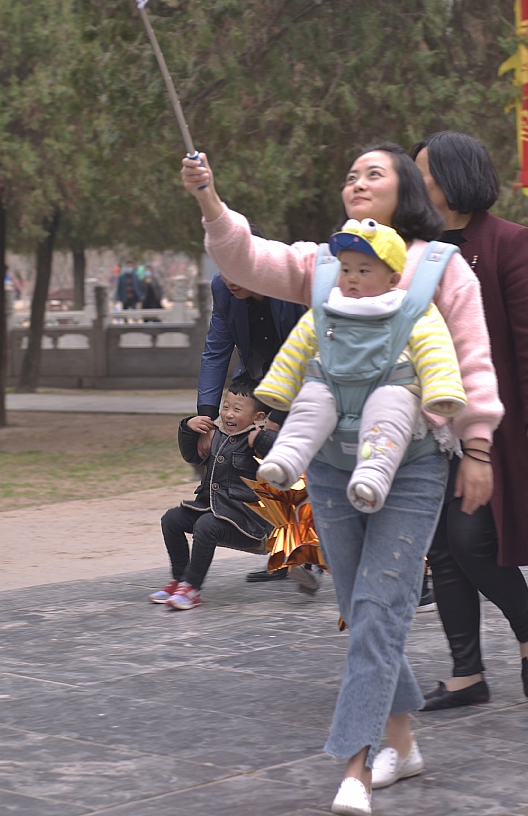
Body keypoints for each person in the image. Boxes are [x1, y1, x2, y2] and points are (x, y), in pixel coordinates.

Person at [181, 143, 502, 816]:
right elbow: (247, 259)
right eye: (352, 174)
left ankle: (356, 762)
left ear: (406, 188)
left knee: (379, 607)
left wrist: (477, 450)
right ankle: (402, 744)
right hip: (330, 467)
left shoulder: (441, 267)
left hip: (411, 467)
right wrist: (208, 198)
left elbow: (472, 363)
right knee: (360, 607)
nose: (357, 181)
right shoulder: (326, 263)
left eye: (373, 173)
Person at [411, 131, 528, 711]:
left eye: (423, 172)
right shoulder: (412, 249)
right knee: (443, 550)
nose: (415, 182)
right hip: (428, 424)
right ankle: (467, 674)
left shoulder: (509, 242)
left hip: (492, 423)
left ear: (454, 176)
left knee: (472, 540)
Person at [255, 218, 466, 513]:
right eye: (345, 270)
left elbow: (435, 350)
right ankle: (288, 455)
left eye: (364, 270)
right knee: (311, 401)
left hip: (389, 384)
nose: (352, 278)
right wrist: (280, 386)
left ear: (393, 278)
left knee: (391, 410)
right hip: (330, 383)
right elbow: (297, 347)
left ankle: (374, 472)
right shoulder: (330, 307)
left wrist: (442, 391)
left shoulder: (409, 309)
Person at [198, 268, 306, 583]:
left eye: (237, 269)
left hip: (306, 383)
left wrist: (278, 417)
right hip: (257, 386)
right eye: (224, 269)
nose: (230, 280)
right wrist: (208, 419)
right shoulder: (222, 287)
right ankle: (285, 553)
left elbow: (305, 354)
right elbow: (216, 350)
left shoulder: (289, 281)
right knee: (259, 469)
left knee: (300, 465)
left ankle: (312, 551)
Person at [153, 375, 277, 611]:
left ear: (258, 416)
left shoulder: (258, 439)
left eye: (237, 409)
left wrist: (263, 439)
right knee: (171, 519)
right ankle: (179, 580)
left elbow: (278, 453)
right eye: (225, 406)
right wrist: (188, 428)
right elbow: (192, 457)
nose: (228, 414)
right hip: (212, 508)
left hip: (246, 522)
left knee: (206, 525)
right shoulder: (216, 434)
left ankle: (192, 588)